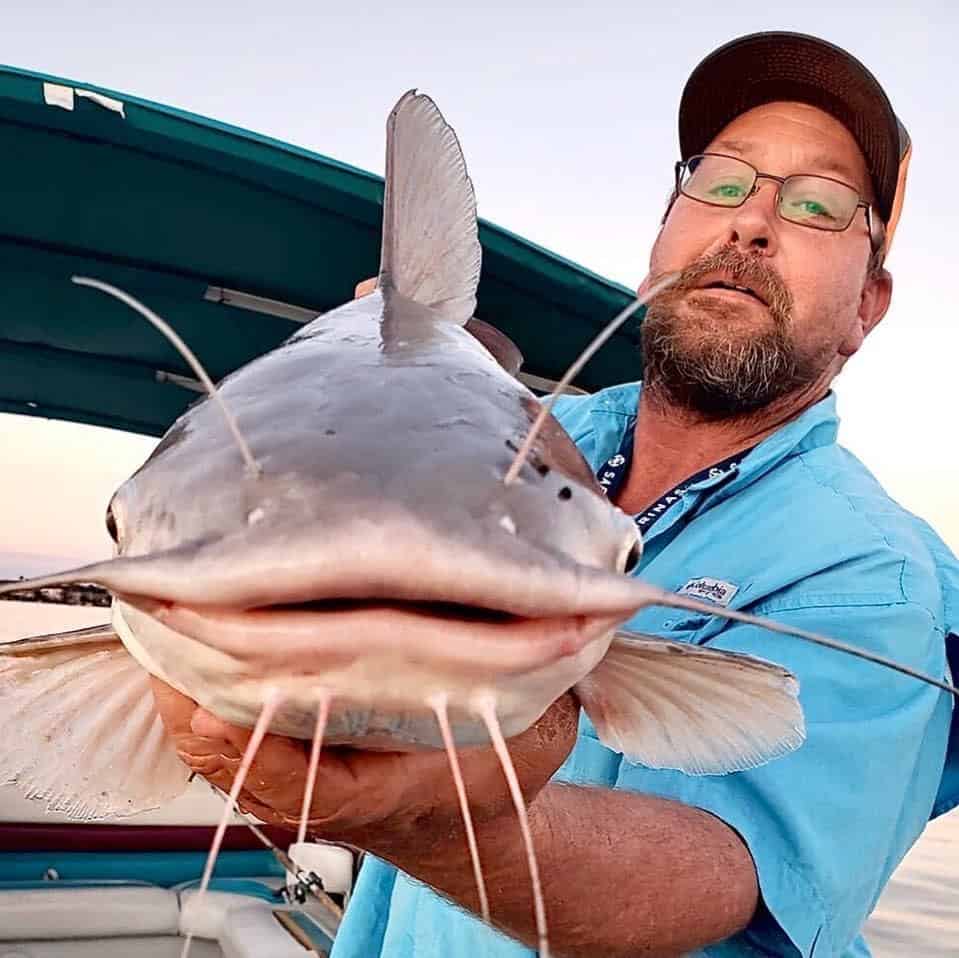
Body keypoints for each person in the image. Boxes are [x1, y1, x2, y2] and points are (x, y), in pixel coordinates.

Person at [153, 31, 959, 957]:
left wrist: (416, 817)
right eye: (721, 180)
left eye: (819, 204)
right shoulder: (533, 434)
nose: (750, 223)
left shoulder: (875, 577)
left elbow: (725, 872)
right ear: (661, 238)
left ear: (868, 305)